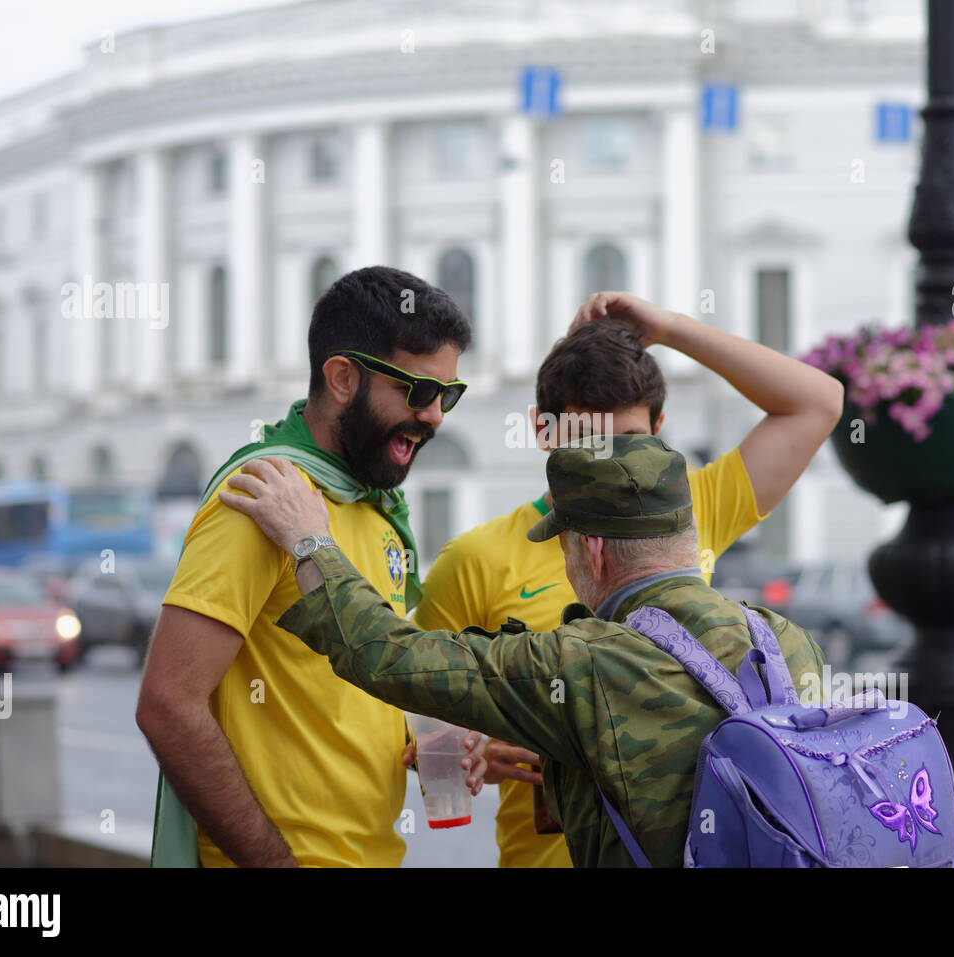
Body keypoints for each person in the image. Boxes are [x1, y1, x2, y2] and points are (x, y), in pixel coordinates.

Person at [218, 434, 827, 867]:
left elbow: (384, 653)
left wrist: (309, 541)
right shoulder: (785, 639)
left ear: (590, 551)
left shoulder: (586, 664)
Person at [412, 291, 845, 867]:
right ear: (545, 431)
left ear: (661, 429)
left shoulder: (690, 512)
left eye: (631, 443)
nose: (611, 467)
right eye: (590, 442)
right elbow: (412, 715)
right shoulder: (476, 558)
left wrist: (669, 328)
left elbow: (818, 402)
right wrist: (468, 749)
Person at [135, 265, 486, 868]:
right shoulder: (263, 498)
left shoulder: (374, 505)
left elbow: (341, 688)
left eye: (447, 395)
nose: (435, 417)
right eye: (418, 391)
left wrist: (431, 741)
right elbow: (168, 705)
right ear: (344, 378)